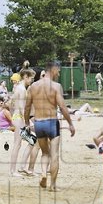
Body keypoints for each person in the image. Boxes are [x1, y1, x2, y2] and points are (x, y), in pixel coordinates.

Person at [24, 61, 76, 191]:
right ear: (53, 69)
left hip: (38, 123)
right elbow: (63, 107)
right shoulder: (56, 86)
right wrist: (70, 123)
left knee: (45, 153)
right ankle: (52, 185)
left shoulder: (33, 87)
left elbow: (27, 107)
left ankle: (43, 173)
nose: (58, 73)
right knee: (54, 155)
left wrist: (26, 123)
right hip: (52, 122)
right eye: (58, 71)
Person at [10, 63, 36, 176]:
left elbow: (12, 104)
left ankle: (20, 167)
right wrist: (27, 122)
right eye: (31, 78)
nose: (31, 81)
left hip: (17, 117)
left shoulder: (19, 88)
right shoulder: (21, 89)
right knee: (17, 144)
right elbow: (21, 108)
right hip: (19, 118)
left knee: (31, 141)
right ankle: (13, 170)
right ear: (25, 77)